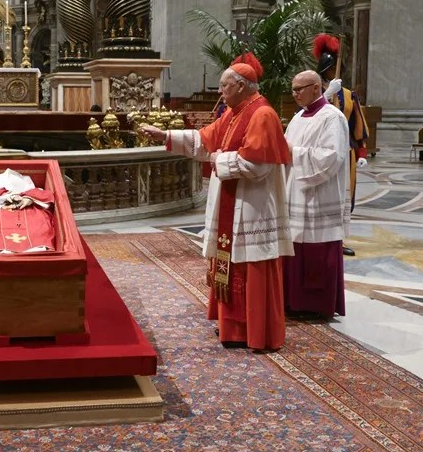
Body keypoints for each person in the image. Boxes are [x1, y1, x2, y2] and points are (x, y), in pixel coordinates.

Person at [141, 53, 293, 351]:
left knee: (250, 264)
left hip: (252, 205)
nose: (220, 91)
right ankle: (233, 327)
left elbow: (257, 165)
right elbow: (204, 139)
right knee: (230, 261)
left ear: (241, 85)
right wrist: (165, 135)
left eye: (224, 86)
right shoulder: (235, 112)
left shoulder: (261, 114)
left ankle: (254, 330)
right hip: (232, 202)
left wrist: (218, 160)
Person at [283, 70, 350, 319]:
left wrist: (292, 152)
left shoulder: (333, 118)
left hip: (319, 194)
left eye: (300, 89)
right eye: (293, 89)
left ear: (316, 87)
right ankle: (292, 300)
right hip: (295, 190)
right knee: (295, 249)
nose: (295, 94)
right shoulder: (299, 116)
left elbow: (331, 156)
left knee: (315, 251)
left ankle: (316, 305)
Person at [313, 33, 369, 256]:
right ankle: (320, 237)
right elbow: (306, 116)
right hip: (321, 152)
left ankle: (339, 239)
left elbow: (358, 124)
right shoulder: (315, 92)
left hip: (346, 153)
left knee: (345, 196)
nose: (332, 70)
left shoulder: (348, 95)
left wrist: (362, 152)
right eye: (330, 67)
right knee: (324, 194)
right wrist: (326, 94)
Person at [0, 169, 56, 255]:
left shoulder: (34, 192)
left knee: (39, 226)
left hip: (30, 213)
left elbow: (47, 197)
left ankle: (38, 246)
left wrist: (29, 198)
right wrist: (5, 197)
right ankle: (3, 248)